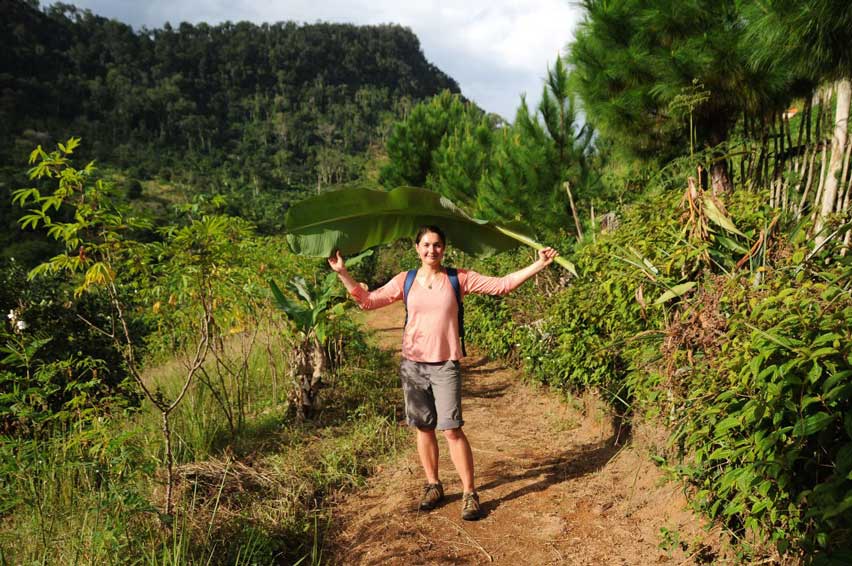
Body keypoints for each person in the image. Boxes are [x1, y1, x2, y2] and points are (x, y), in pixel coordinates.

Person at [327, 225, 559, 521]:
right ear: (416, 248)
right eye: (425, 245)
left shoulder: (457, 278)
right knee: (424, 428)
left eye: (436, 245)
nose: (431, 250)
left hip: (446, 364)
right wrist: (343, 273)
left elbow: (503, 285)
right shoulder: (405, 280)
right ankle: (433, 484)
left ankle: (469, 493)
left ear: (444, 248)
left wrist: (539, 263)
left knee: (451, 429)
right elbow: (369, 301)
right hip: (413, 366)